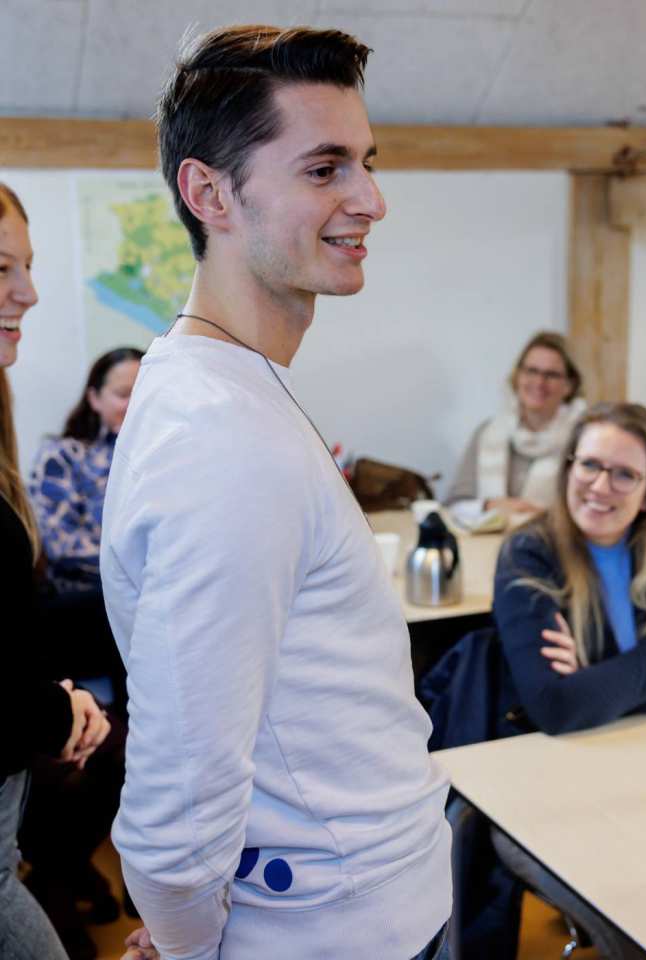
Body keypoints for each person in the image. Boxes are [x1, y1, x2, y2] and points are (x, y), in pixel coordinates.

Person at [101, 26, 450, 960]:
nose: (371, 200)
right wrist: (188, 945)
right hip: (333, 930)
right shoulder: (224, 442)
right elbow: (179, 802)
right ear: (209, 193)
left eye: (366, 164)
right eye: (326, 168)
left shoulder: (224, 389)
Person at [0, 183, 111, 958]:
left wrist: (54, 702)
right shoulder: (64, 457)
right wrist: (53, 712)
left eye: (29, 268)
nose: (30, 293)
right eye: (4, 267)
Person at [494, 401, 646, 736]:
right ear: (569, 468)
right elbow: (555, 707)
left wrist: (596, 687)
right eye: (589, 465)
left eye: (625, 474)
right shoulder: (528, 553)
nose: (600, 487)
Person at [29, 346, 142, 593]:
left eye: (143, 393)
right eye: (124, 394)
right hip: (88, 600)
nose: (135, 404)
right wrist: (144, 573)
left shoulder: (165, 458)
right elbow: (63, 546)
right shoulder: (61, 456)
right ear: (94, 398)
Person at [446, 330, 586, 523]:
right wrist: (491, 506)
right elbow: (454, 504)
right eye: (531, 371)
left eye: (551, 375)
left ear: (569, 385)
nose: (539, 382)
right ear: (517, 376)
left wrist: (544, 516)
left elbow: (590, 509)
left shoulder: (584, 440)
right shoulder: (487, 432)